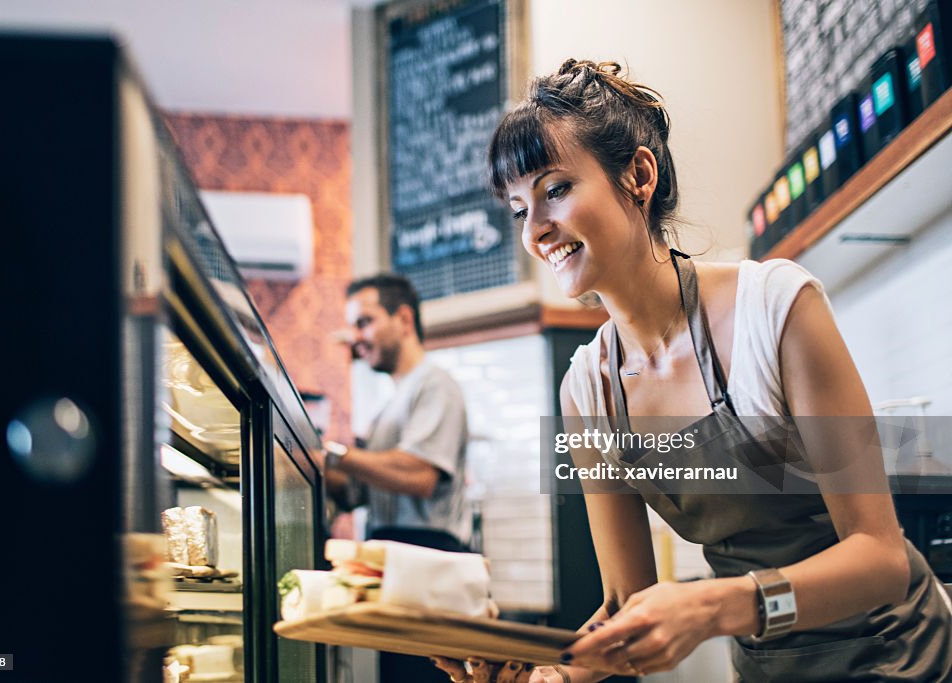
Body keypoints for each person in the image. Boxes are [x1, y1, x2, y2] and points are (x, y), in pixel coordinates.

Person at [434, 59, 952, 683]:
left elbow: (881, 561)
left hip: (901, 656)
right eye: (519, 210)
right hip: (767, 668)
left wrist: (717, 605)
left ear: (639, 175)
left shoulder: (776, 309)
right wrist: (551, 671)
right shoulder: (589, 390)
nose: (537, 231)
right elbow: (626, 604)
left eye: (556, 189)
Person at [320, 273, 471, 682]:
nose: (355, 338)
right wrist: (303, 461)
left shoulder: (435, 385)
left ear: (404, 320)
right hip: (394, 560)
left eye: (364, 322)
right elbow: (354, 492)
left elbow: (419, 475)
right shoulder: (390, 405)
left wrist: (338, 455)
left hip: (427, 561)